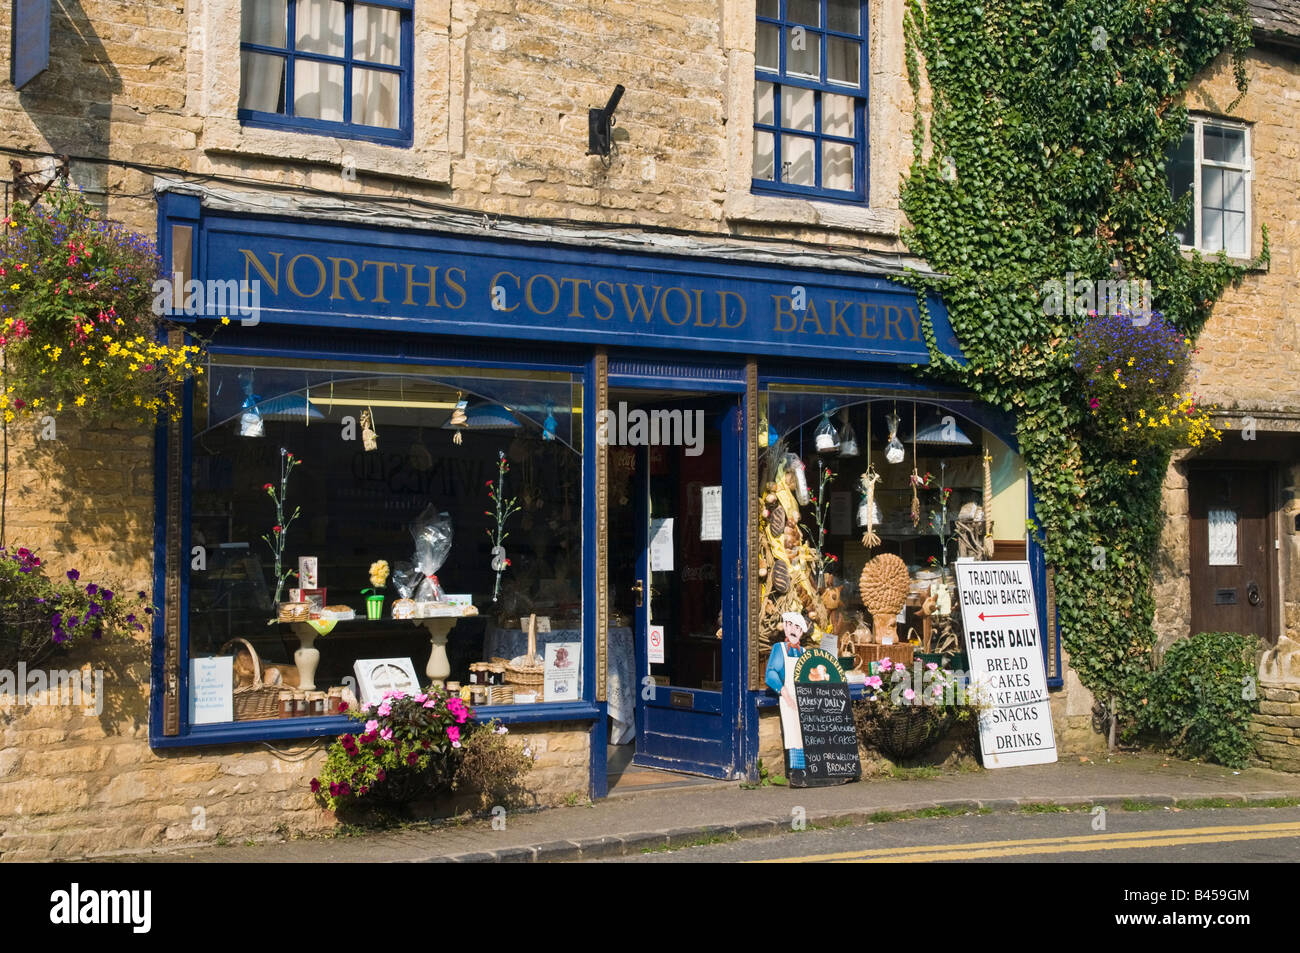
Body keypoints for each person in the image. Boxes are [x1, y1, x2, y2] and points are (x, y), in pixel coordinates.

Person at [766, 611, 809, 772]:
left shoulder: (804, 652)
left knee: (805, 732)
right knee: (793, 731)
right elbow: (771, 674)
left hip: (803, 698)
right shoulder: (779, 648)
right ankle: (797, 770)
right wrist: (783, 691)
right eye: (789, 625)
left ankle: (808, 767)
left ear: (801, 632)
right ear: (784, 627)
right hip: (788, 697)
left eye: (797, 627)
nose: (793, 629)